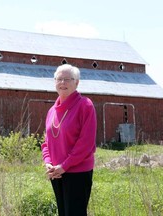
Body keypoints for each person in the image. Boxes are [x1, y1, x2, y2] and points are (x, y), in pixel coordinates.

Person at [41, 64, 97, 216]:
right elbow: (46, 142)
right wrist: (48, 162)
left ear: (77, 82)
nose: (62, 83)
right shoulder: (52, 110)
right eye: (59, 79)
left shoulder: (85, 105)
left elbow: (86, 144)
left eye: (67, 79)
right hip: (56, 172)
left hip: (77, 172)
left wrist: (64, 166)